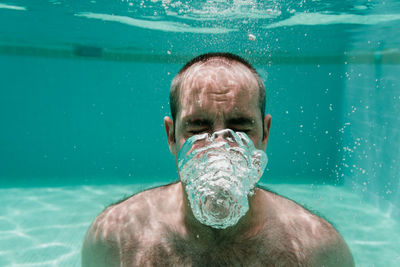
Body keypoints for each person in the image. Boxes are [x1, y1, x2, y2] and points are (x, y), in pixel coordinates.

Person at [81, 52, 354, 266]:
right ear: (171, 136)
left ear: (265, 133)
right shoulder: (113, 239)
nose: (220, 146)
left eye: (240, 127)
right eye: (198, 127)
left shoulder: (319, 250)